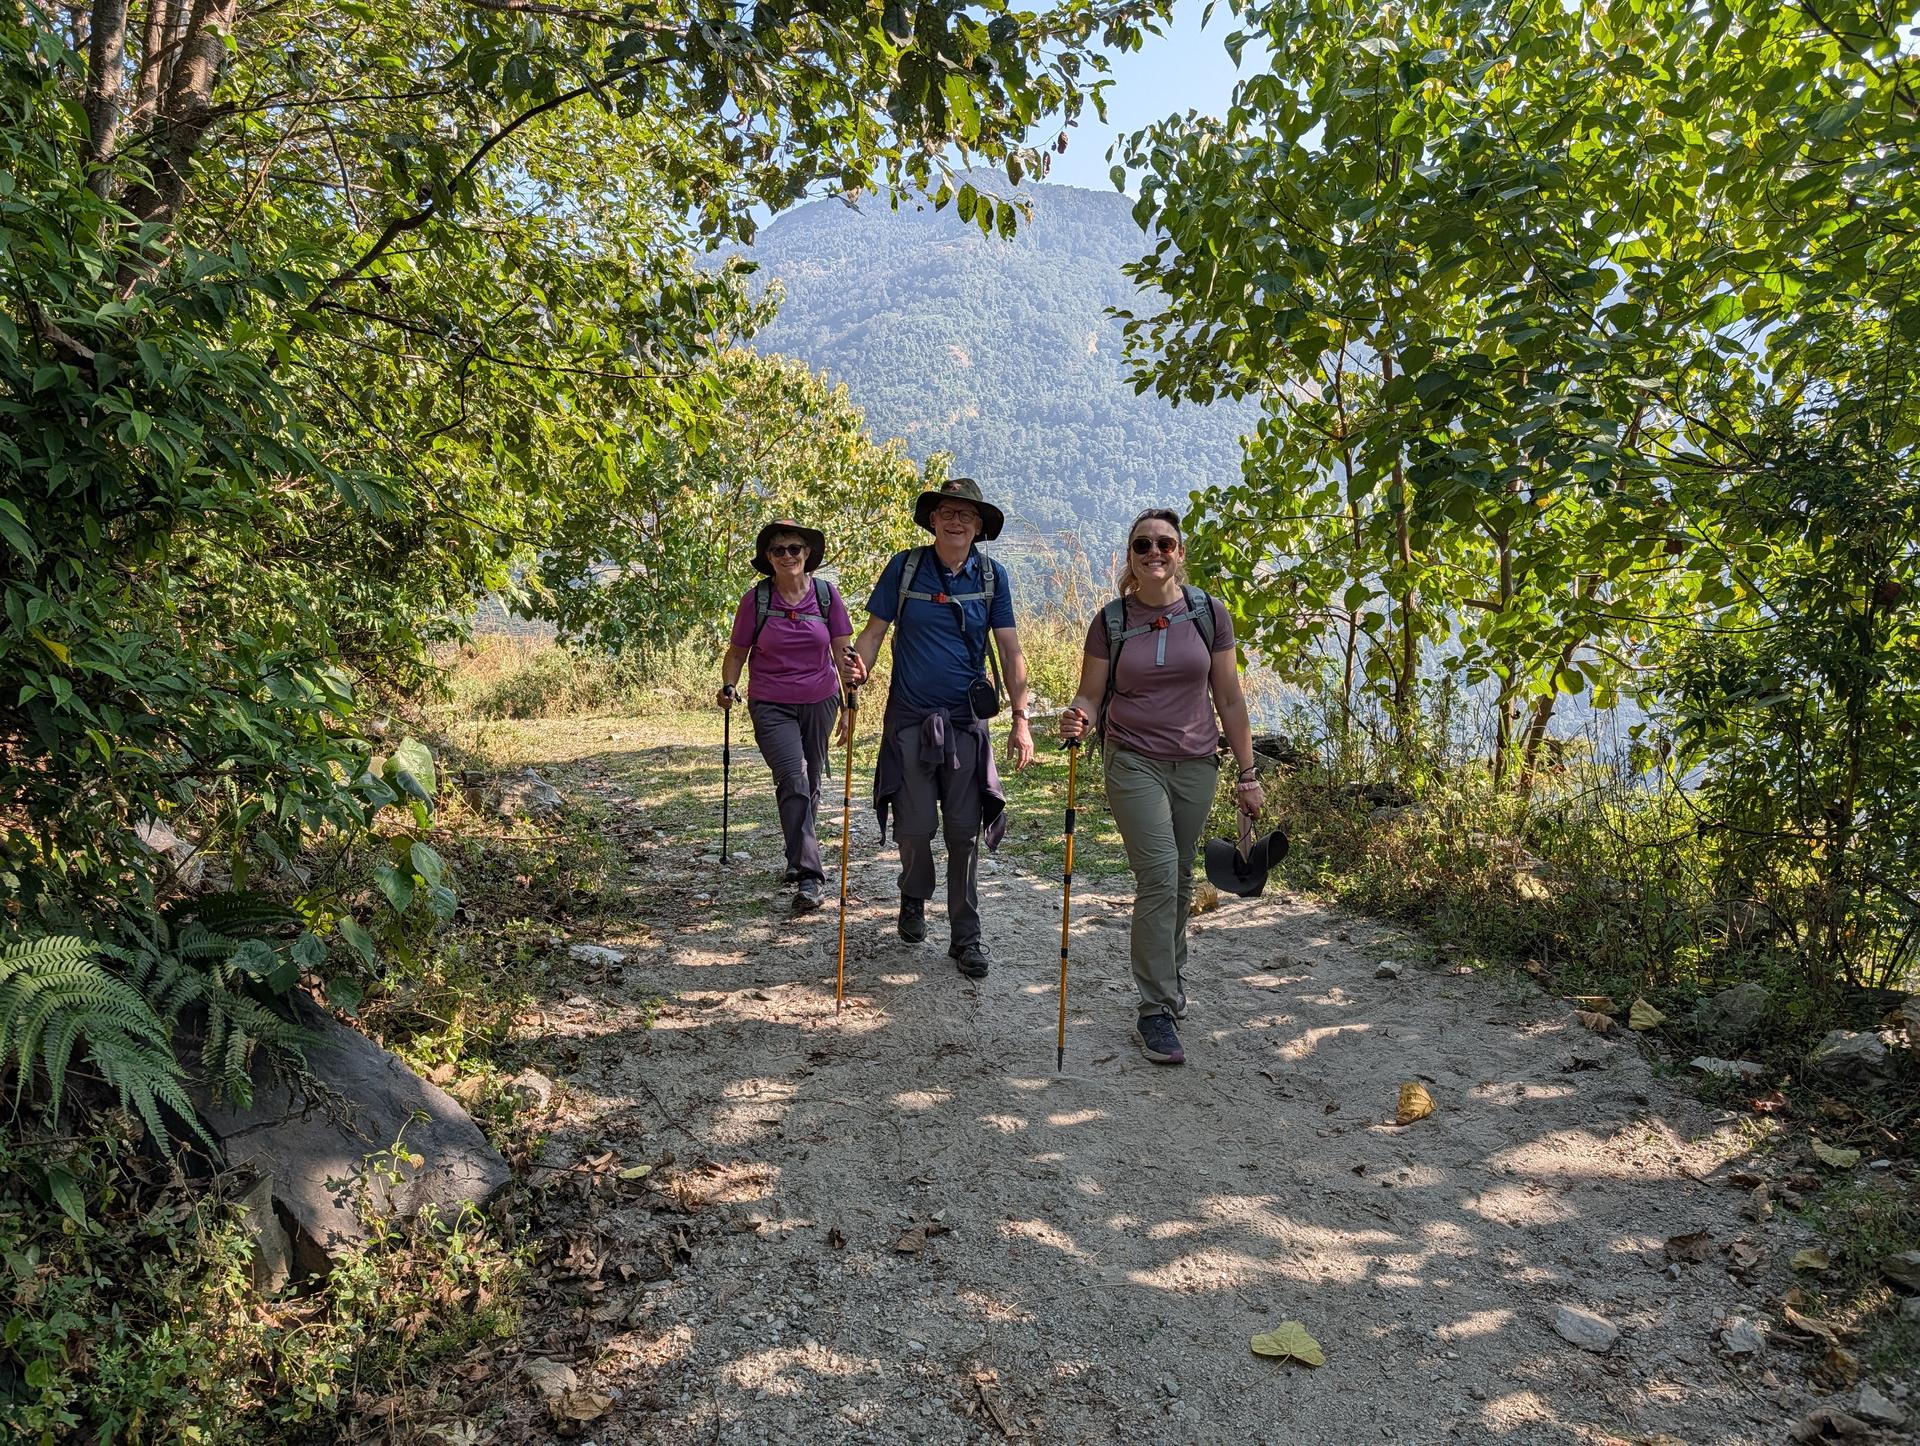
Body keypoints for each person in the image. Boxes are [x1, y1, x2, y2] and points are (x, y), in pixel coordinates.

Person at [1058, 508, 1263, 1065]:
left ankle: (1170, 980)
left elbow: (1230, 699)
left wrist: (1248, 775)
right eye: (1143, 544)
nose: (1154, 552)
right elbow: (1090, 697)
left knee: (1179, 878)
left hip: (1197, 762)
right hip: (1132, 761)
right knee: (1158, 875)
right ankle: (1154, 1010)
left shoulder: (1207, 613)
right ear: (1130, 555)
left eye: (1164, 544)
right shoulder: (1111, 621)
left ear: (1179, 552)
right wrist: (1076, 716)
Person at [843, 477, 1035, 979]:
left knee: (963, 833)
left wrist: (1020, 718)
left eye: (966, 515)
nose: (955, 521)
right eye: (947, 512)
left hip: (966, 723)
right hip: (909, 719)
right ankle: (913, 893)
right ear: (932, 519)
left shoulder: (992, 578)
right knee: (914, 828)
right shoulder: (905, 569)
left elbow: (1011, 652)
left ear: (978, 526)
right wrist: (857, 668)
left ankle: (966, 936)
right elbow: (873, 635)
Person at [717, 520, 854, 914]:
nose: (788, 556)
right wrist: (729, 686)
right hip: (770, 702)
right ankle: (811, 875)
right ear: (768, 559)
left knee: (809, 781)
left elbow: (843, 653)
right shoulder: (756, 600)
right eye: (779, 551)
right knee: (793, 775)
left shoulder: (827, 596)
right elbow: (736, 652)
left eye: (795, 548)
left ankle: (797, 855)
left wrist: (849, 704)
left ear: (807, 554)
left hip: (820, 700)